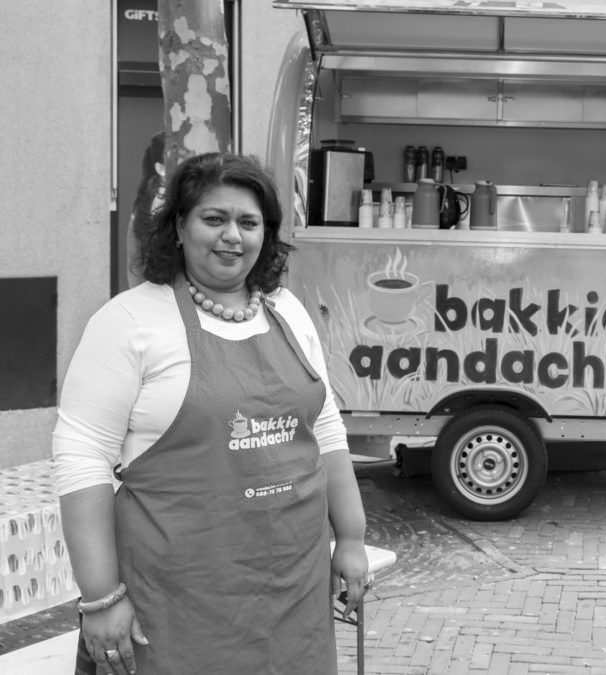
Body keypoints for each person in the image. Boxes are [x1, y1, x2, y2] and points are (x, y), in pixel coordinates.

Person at [53, 153, 370, 675]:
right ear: (179, 227)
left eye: (249, 222)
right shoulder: (129, 321)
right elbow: (81, 457)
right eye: (214, 218)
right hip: (175, 601)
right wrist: (101, 597)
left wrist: (352, 538)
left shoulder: (287, 309)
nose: (232, 236)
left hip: (295, 590)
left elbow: (326, 427)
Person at [125, 131, 166, 290]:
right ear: (160, 168)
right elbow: (134, 260)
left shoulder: (144, 201)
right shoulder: (159, 203)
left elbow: (133, 261)